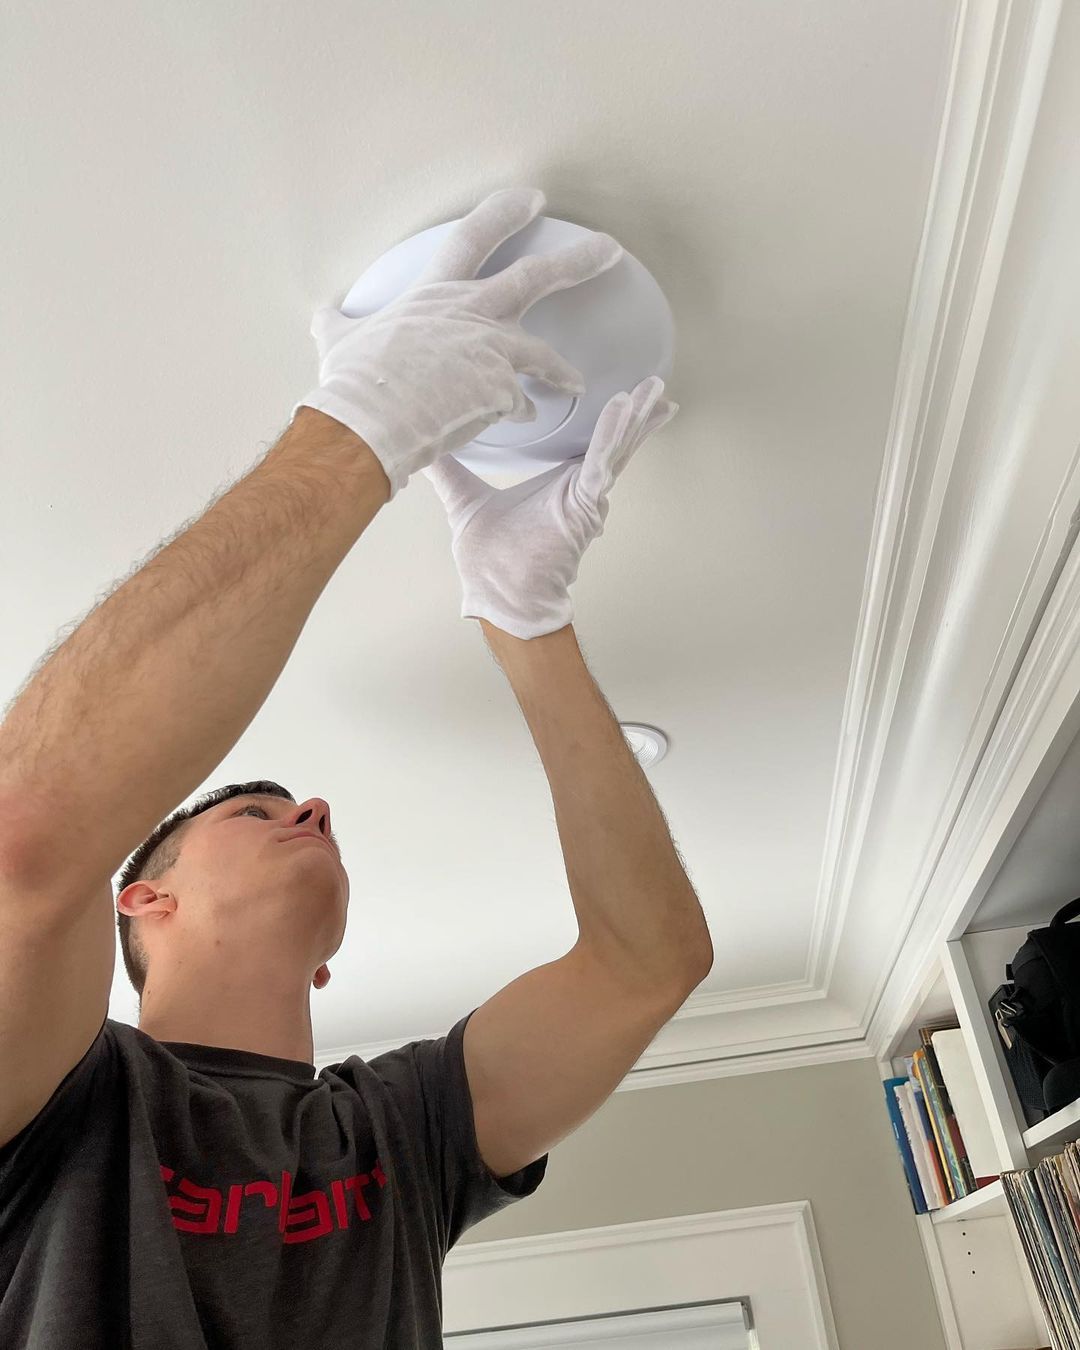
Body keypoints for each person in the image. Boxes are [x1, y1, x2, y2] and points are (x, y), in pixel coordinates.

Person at [0, 187, 713, 1348]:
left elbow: (638, 966)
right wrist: (361, 427)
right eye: (266, 810)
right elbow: (31, 842)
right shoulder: (59, 1100)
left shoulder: (399, 1126)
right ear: (141, 902)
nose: (314, 806)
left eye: (276, 802)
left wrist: (524, 620)